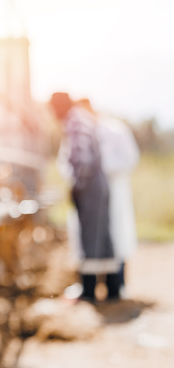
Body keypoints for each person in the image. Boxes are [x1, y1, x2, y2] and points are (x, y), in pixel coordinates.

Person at [50, 92, 117, 302]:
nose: (53, 115)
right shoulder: (81, 118)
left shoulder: (75, 121)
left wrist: (76, 186)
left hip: (90, 185)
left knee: (89, 235)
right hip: (97, 182)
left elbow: (83, 159)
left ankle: (89, 291)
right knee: (102, 235)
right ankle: (112, 289)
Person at [77, 98, 139, 298]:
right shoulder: (77, 133)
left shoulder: (115, 130)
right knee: (88, 240)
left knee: (115, 236)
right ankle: (89, 288)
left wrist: (100, 170)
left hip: (113, 192)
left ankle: (115, 287)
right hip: (88, 196)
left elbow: (130, 158)